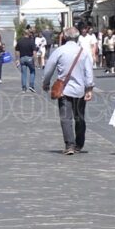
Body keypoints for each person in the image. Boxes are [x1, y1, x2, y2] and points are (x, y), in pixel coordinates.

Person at [42, 26, 95, 155]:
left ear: (65, 37)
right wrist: (89, 88)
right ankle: (79, 144)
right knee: (79, 116)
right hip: (80, 90)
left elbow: (49, 68)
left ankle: (70, 145)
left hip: (64, 90)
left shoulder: (60, 51)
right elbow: (89, 72)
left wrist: (46, 82)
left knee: (66, 118)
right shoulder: (83, 52)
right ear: (78, 37)